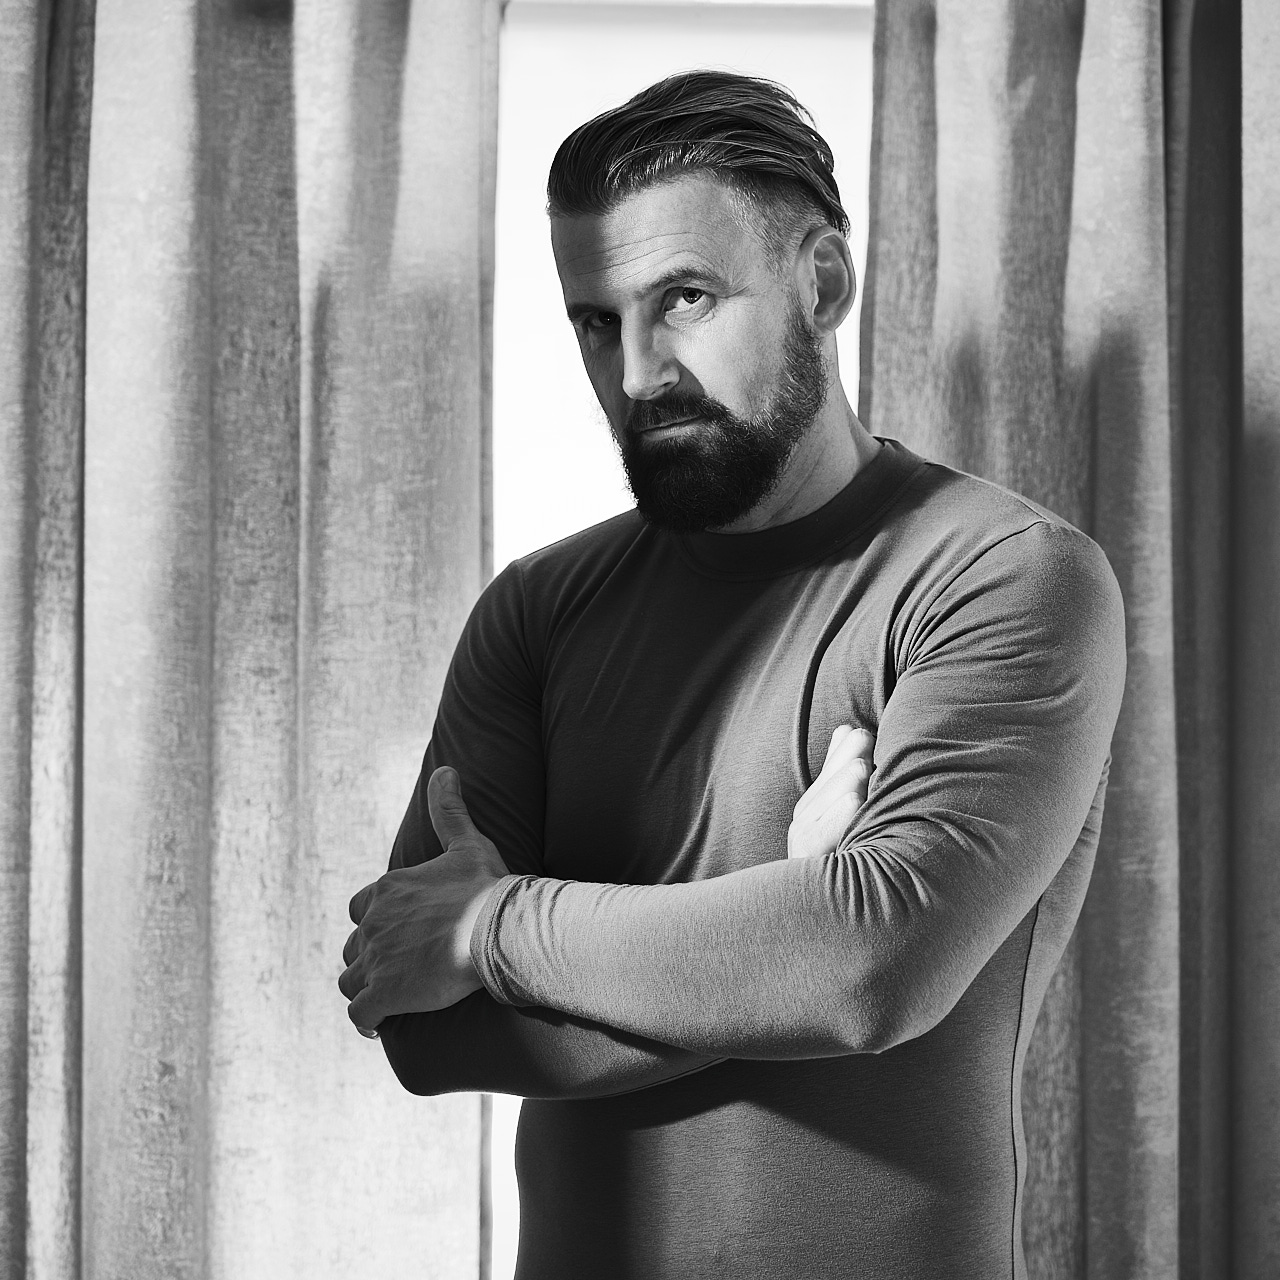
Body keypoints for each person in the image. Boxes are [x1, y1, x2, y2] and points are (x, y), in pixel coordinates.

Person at [338, 70, 1126, 1280]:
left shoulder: (1006, 576)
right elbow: (424, 1032)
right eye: (595, 322)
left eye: (685, 298)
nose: (637, 371)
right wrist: (782, 905)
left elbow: (867, 968)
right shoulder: (536, 609)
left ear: (822, 282)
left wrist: (489, 925)